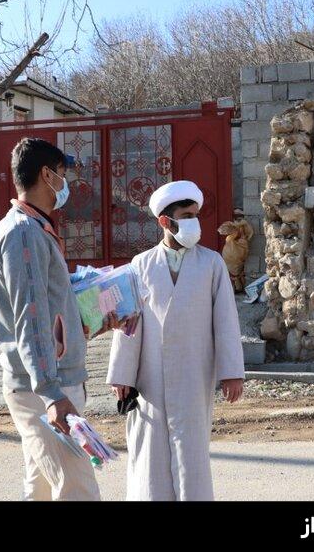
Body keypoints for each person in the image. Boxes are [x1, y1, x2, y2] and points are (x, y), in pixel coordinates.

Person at [107, 179, 245, 500]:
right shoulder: (140, 265)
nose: (194, 222)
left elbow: (225, 320)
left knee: (191, 452)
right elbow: (129, 324)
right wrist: (122, 376)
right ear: (165, 221)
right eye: (186, 215)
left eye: (196, 214)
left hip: (194, 374)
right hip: (149, 376)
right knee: (150, 453)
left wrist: (232, 372)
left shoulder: (212, 264)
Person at [0, 137, 100, 501]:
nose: (66, 184)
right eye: (63, 174)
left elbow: (48, 306)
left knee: (38, 487)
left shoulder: (34, 229)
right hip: (43, 388)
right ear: (47, 174)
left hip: (44, 383)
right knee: (78, 488)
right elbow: (30, 315)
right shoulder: (23, 233)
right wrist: (51, 393)